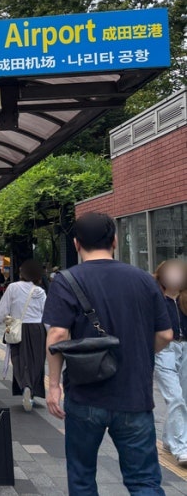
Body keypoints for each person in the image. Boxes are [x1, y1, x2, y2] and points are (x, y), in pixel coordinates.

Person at [43, 212, 172, 495]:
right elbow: (165, 335)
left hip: (85, 395)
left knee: (82, 477)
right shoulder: (144, 280)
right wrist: (139, 352)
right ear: (114, 241)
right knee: (144, 481)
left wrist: (53, 386)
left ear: (76, 244)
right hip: (134, 396)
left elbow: (58, 334)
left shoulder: (66, 280)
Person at [0, 259, 47, 412]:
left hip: (18, 328)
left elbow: (2, 310)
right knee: (36, 361)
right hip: (38, 329)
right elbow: (48, 313)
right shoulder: (40, 291)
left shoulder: (13, 287)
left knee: (18, 359)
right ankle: (31, 390)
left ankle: (25, 386)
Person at [153, 259, 187, 466]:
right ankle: (181, 447)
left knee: (183, 397)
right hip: (165, 349)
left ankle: (168, 438)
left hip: (185, 348)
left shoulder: (184, 299)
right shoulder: (155, 297)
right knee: (175, 397)